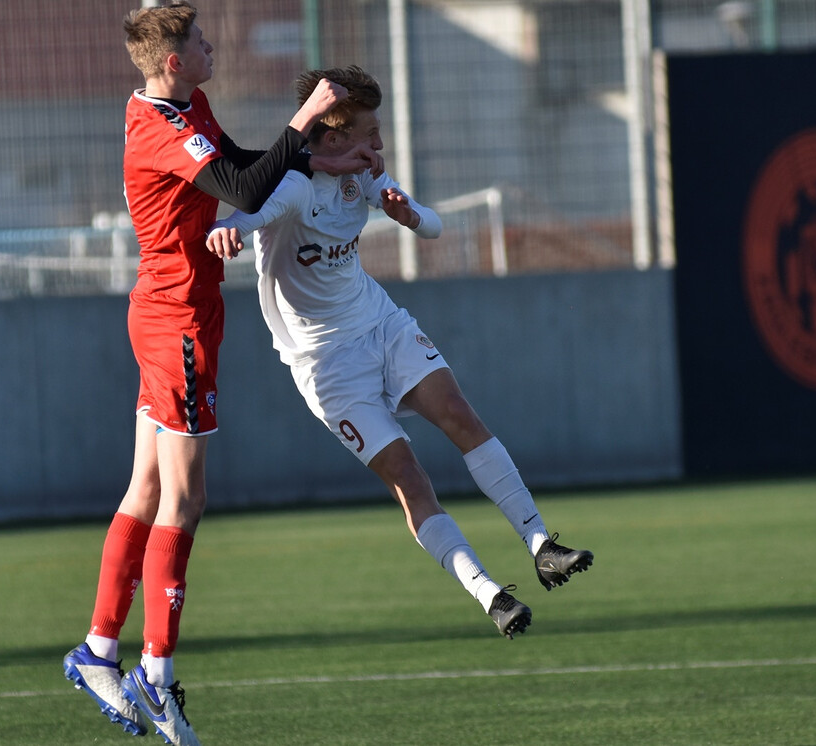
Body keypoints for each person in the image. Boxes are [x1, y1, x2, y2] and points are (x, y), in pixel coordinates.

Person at [62, 8, 381, 745]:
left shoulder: (180, 104)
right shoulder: (162, 127)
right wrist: (306, 119)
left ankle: (99, 650)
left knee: (147, 488)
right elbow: (239, 187)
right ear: (173, 61)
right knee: (186, 496)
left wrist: (321, 162)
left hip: (173, 310)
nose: (212, 47)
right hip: (176, 319)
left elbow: (240, 162)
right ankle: (158, 672)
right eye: (199, 43)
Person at [206, 65, 593, 641]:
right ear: (333, 138)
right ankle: (489, 594)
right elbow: (249, 214)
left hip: (381, 324)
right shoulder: (290, 187)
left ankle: (541, 544)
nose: (381, 144)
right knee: (408, 476)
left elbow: (432, 225)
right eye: (371, 132)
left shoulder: (359, 174)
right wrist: (228, 230)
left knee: (461, 417)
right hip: (326, 367)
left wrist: (410, 216)